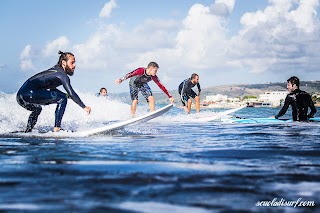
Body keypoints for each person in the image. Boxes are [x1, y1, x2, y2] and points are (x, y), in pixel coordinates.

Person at [16, 51, 91, 133]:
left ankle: (28, 131)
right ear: (63, 63)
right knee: (62, 99)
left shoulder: (54, 71)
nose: (74, 65)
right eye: (72, 63)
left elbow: (52, 89)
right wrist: (84, 107)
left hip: (21, 95)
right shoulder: (62, 75)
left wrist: (66, 95)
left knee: (37, 109)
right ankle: (57, 128)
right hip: (31, 93)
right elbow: (71, 92)